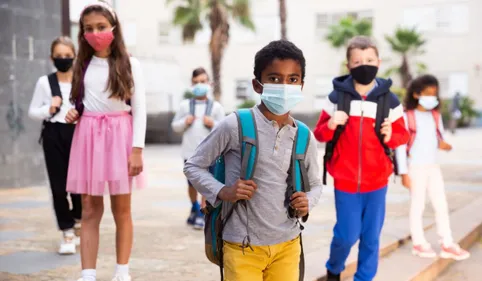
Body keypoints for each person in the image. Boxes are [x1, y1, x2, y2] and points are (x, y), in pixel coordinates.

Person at [184, 40, 323, 281]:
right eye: (275, 78)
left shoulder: (303, 135)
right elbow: (193, 165)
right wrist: (223, 191)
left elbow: (316, 183)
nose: (284, 86)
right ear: (257, 85)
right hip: (241, 246)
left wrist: (308, 201)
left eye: (292, 79)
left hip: (288, 245)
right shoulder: (235, 124)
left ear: (301, 85)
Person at [313, 36, 409, 281]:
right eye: (357, 61)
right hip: (345, 181)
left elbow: (403, 135)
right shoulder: (336, 98)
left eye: (369, 60)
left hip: (377, 182)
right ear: (349, 66)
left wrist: (391, 134)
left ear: (378, 62)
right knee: (346, 235)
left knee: (371, 237)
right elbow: (319, 134)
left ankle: (363, 277)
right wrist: (332, 124)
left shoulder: (390, 100)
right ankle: (334, 268)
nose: (363, 65)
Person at [64, 1, 146, 281]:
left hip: (120, 135)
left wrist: (137, 150)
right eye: (89, 29)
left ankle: (122, 270)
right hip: (88, 136)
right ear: (82, 33)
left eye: (101, 26)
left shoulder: (129, 63)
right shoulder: (82, 64)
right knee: (88, 207)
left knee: (121, 208)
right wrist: (73, 111)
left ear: (113, 28)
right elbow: (79, 100)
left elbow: (140, 109)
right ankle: (88, 273)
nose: (95, 32)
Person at [395, 75, 470, 260]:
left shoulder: (435, 116)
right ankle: (419, 243)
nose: (432, 97)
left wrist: (444, 145)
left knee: (441, 204)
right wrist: (403, 172)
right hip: (415, 168)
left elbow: (438, 139)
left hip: (433, 166)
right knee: (418, 205)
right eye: (428, 93)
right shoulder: (407, 116)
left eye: (435, 93)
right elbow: (400, 145)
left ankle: (447, 242)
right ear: (416, 94)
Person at [28, 36, 81, 255]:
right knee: (59, 187)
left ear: (75, 56)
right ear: (52, 58)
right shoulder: (45, 82)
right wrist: (49, 108)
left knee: (79, 186)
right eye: (59, 56)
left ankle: (78, 219)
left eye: (67, 56)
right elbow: (32, 111)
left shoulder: (82, 80)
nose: (63, 59)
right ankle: (67, 231)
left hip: (78, 135)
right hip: (53, 135)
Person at [171, 67, 225, 230]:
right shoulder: (185, 106)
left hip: (211, 154)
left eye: (202, 82)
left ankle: (202, 212)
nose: (199, 85)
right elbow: (175, 126)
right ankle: (194, 206)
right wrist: (184, 122)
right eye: (195, 83)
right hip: (189, 152)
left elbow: (224, 129)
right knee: (192, 184)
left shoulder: (216, 107)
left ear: (210, 83)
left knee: (206, 183)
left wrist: (212, 124)